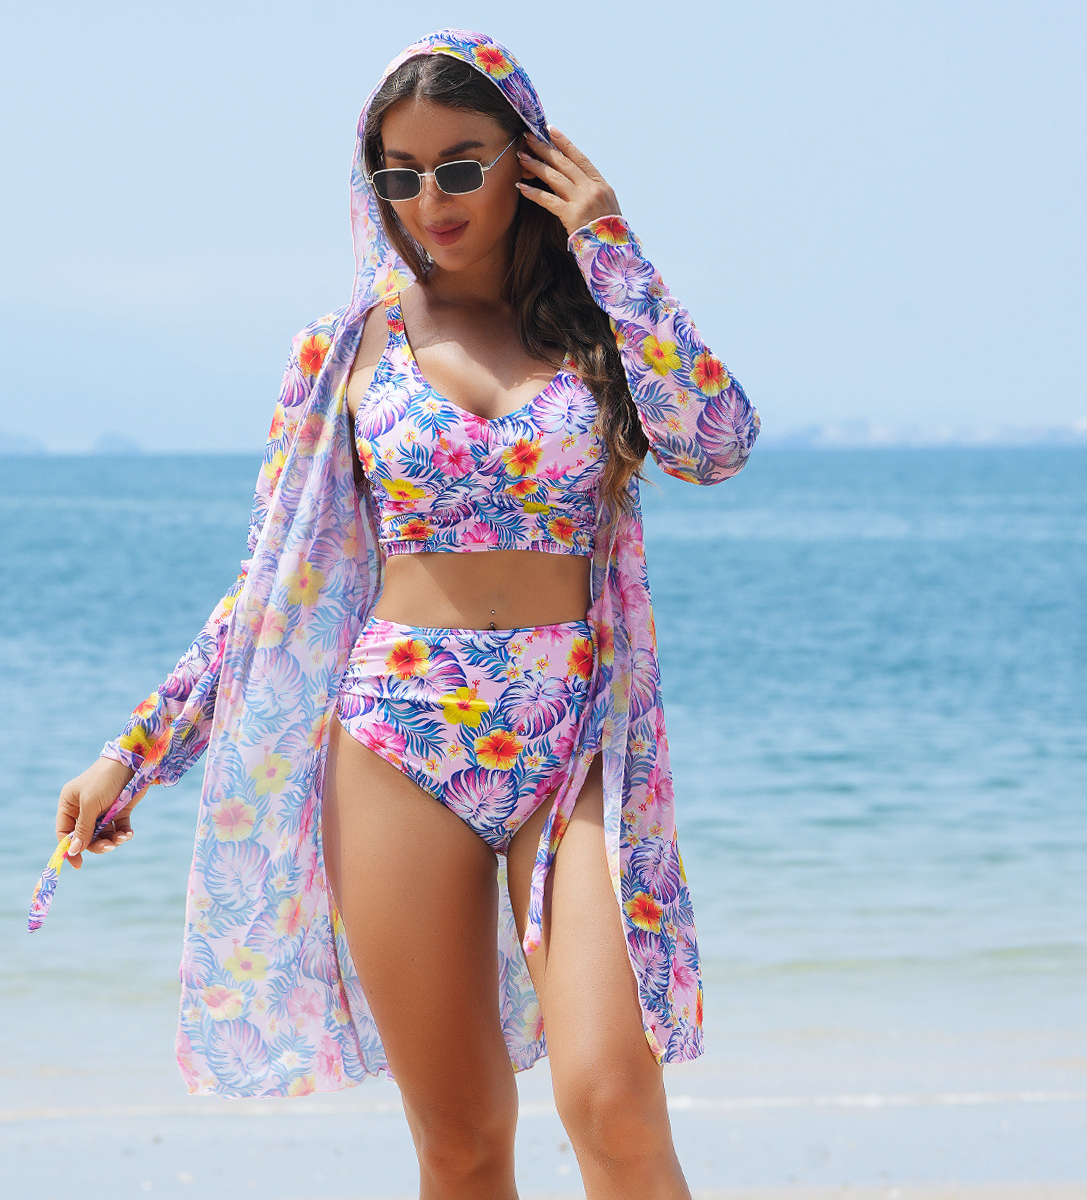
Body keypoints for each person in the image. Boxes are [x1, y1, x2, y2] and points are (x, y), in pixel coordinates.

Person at [48, 29, 758, 1200]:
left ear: (531, 161)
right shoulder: (343, 352)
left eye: (462, 165)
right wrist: (133, 753)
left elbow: (717, 444)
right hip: (393, 740)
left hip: (575, 737)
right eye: (401, 173)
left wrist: (612, 246)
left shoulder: (597, 325)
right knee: (463, 1142)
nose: (432, 200)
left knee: (613, 1102)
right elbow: (271, 590)